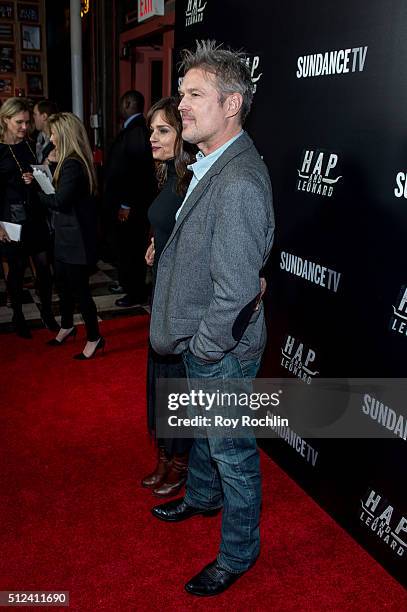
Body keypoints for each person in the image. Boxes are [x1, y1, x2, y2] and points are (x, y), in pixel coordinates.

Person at [149, 41, 275, 596]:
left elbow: (238, 290)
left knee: (233, 452)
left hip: (221, 346)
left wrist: (204, 346)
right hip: (206, 339)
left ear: (232, 104)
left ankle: (239, 553)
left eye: (195, 95)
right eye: (181, 95)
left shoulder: (240, 180)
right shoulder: (212, 163)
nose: (182, 106)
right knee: (204, 436)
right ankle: (201, 498)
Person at [141, 97, 195, 497]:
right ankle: (164, 455)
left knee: (175, 379)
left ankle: (180, 462)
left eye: (163, 130)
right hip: (161, 287)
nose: (153, 139)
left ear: (182, 134)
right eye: (151, 131)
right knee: (160, 377)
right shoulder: (167, 173)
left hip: (180, 296)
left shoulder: (194, 178)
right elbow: (168, 223)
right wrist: (155, 243)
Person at [34, 112, 103, 360]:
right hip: (65, 235)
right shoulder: (66, 159)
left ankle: (94, 337)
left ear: (63, 134)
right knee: (62, 285)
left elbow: (60, 201)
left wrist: (35, 191)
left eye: (53, 133)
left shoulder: (73, 163)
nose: (50, 137)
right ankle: (67, 326)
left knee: (79, 290)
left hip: (76, 239)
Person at [0, 97, 56, 338]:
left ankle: (47, 313)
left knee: (44, 267)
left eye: (26, 122)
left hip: (34, 215)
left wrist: (35, 178)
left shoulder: (30, 144)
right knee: (17, 269)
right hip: (9, 218)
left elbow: (39, 177)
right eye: (19, 122)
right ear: (5, 120)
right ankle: (18, 316)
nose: (24, 127)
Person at [104, 90, 156, 306]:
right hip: (127, 203)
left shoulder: (136, 132)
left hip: (131, 206)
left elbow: (134, 173)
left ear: (127, 103)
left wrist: (126, 203)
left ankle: (134, 292)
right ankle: (126, 282)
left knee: (131, 248)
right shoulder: (134, 130)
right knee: (124, 247)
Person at [33, 99, 58, 164]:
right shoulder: (34, 138)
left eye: (35, 114)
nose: (33, 117)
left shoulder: (58, 141)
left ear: (44, 116)